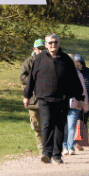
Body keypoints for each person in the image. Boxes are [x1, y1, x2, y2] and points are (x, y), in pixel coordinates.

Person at [23, 33, 84, 164]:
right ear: (46, 45)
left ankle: (57, 155)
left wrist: (80, 98)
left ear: (59, 43)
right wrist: (26, 95)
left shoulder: (66, 59)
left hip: (62, 98)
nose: (53, 45)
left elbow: (74, 80)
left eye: (55, 42)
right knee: (46, 124)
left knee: (59, 126)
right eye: (50, 43)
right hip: (44, 98)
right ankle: (46, 153)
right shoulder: (39, 59)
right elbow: (31, 79)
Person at [19, 38, 46, 157]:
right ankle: (42, 150)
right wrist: (34, 81)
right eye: (39, 49)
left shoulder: (50, 61)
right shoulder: (28, 63)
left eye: (43, 49)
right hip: (33, 100)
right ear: (34, 49)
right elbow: (22, 77)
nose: (41, 51)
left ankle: (49, 149)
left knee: (48, 124)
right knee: (37, 126)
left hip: (47, 98)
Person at [63, 61, 89, 155]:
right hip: (63, 104)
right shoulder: (61, 72)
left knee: (71, 126)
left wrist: (85, 103)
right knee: (64, 127)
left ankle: (70, 147)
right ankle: (64, 147)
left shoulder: (78, 74)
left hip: (75, 104)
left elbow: (83, 90)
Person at [73, 54, 89, 150]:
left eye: (80, 63)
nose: (78, 66)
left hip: (88, 98)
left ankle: (82, 141)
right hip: (77, 98)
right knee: (77, 119)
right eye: (76, 64)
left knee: (84, 119)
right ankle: (76, 142)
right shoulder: (73, 72)